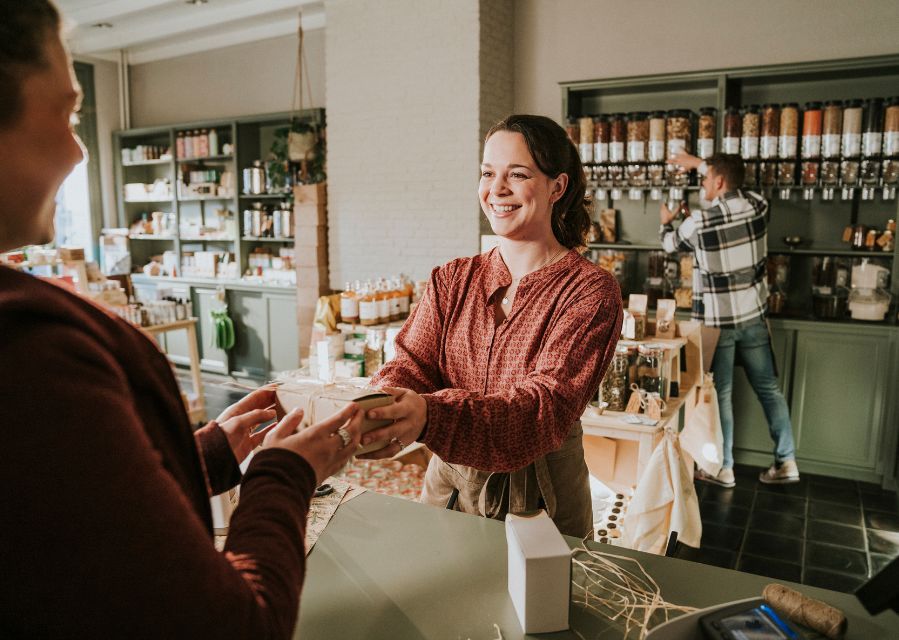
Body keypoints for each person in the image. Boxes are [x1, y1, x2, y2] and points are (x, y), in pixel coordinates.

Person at [0, 2, 364, 636]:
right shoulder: (28, 350)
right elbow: (234, 624)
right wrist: (285, 475)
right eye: (68, 114)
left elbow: (74, 513)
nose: (79, 152)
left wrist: (205, 453)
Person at [356, 114, 623, 538]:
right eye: (487, 173)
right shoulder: (453, 278)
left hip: (544, 502)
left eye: (517, 174)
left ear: (558, 187)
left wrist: (430, 415)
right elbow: (411, 364)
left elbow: (541, 409)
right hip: (449, 488)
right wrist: (379, 404)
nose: (496, 189)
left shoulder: (589, 291)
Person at [660, 152, 799, 488]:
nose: (703, 183)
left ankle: (724, 469)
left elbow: (668, 245)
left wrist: (666, 221)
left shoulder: (700, 221)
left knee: (721, 394)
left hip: (717, 323)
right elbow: (731, 183)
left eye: (706, 178)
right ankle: (787, 462)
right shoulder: (759, 206)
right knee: (770, 390)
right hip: (753, 317)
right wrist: (699, 164)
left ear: (719, 181)